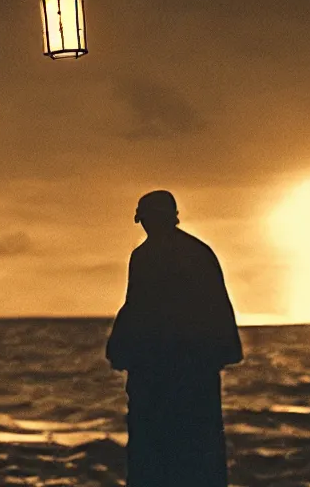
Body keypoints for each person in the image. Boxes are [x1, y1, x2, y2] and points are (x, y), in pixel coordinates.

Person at [106, 190, 243, 487]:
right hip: (194, 374)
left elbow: (137, 310)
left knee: (156, 460)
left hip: (159, 376)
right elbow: (220, 313)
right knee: (199, 458)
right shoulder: (199, 252)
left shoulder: (146, 257)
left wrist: (120, 349)